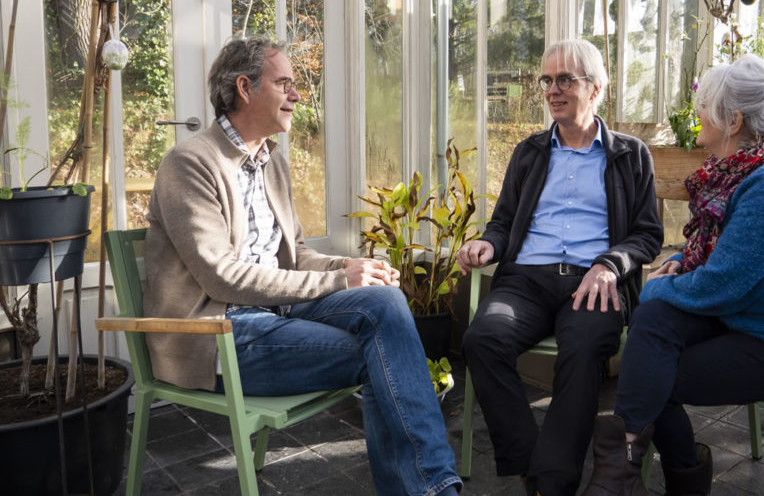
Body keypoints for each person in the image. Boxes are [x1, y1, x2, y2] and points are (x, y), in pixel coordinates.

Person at [143, 36, 462, 496]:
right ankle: (434, 490)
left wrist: (349, 265)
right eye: (285, 83)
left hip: (275, 314)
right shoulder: (190, 163)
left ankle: (427, 489)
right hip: (218, 333)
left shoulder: (272, 162)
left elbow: (292, 255)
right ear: (245, 88)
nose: (296, 94)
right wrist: (336, 280)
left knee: (385, 301)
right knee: (386, 357)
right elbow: (222, 276)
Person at [582, 54, 764, 496]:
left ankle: (646, 473)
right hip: (757, 317)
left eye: (704, 105)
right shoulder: (744, 172)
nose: (696, 112)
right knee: (653, 327)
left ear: (732, 121)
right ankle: (629, 469)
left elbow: (722, 285)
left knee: (655, 374)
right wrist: (679, 268)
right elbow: (727, 263)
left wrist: (661, 286)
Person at [456, 39, 664, 496]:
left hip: (594, 283)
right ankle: (537, 467)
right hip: (526, 281)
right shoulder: (529, 152)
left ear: (596, 89)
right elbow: (504, 222)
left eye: (565, 79)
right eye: (546, 80)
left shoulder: (630, 155)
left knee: (584, 348)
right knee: (482, 338)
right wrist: (487, 246)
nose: (553, 89)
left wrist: (611, 265)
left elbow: (648, 235)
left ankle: (549, 485)